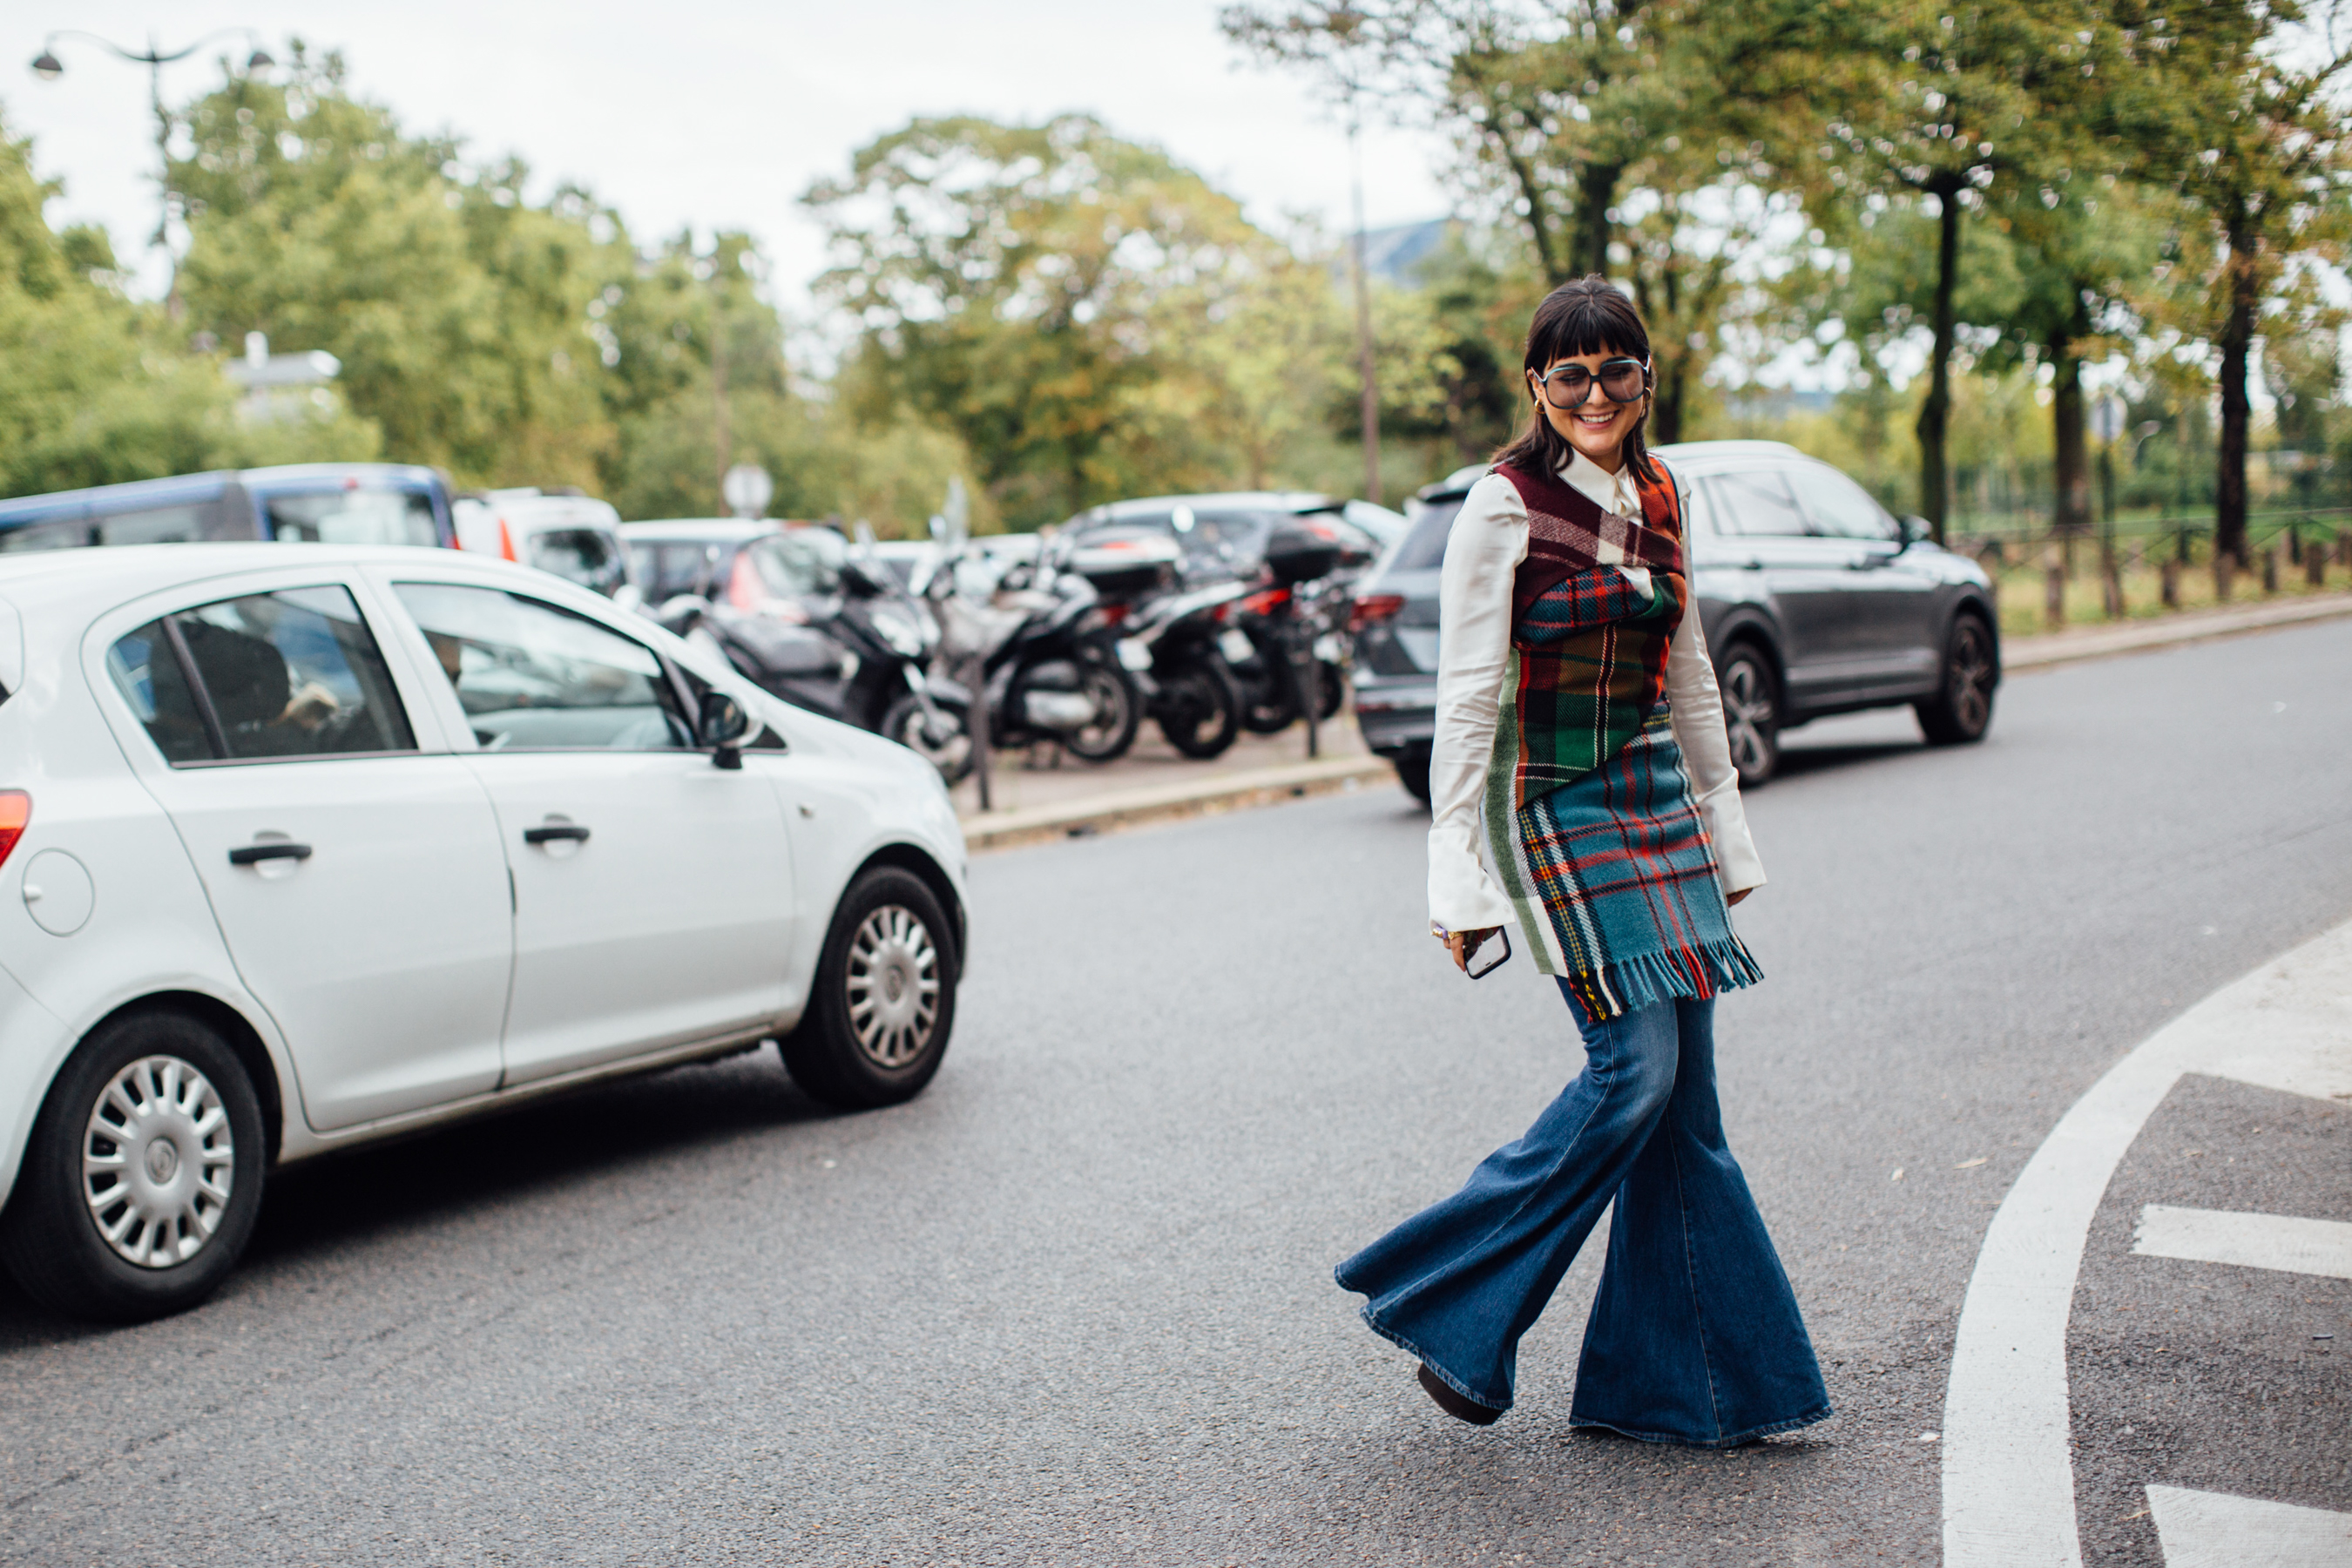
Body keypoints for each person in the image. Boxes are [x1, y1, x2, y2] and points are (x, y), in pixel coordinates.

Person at [1335, 276, 1831, 1447]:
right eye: (1572, 374)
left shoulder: (1665, 493)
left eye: (1618, 371)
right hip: (1552, 808)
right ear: (1537, 388)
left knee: (1689, 1110)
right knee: (1636, 1074)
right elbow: (1465, 697)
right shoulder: (1501, 508)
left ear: (1645, 381)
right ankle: (1452, 1304)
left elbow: (1692, 667)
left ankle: (1682, 1390)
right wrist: (1453, 872)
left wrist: (1725, 819)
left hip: (1656, 799)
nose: (1596, 393)